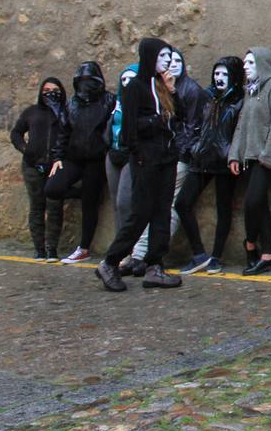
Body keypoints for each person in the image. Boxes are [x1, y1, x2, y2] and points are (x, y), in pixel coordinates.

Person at [96, 38, 185, 291]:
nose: (167, 61)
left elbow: (180, 117)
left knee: (162, 212)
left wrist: (172, 91)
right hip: (146, 159)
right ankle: (110, 262)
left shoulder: (162, 86)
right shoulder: (135, 87)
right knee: (140, 213)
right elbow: (129, 130)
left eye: (168, 56)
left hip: (166, 158)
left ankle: (155, 265)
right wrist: (153, 126)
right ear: (149, 58)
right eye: (161, 57)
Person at [175, 57, 245, 274]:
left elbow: (240, 130)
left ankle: (216, 256)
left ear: (233, 77)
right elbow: (194, 123)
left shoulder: (240, 100)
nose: (219, 78)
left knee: (224, 208)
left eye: (224, 74)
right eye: (217, 74)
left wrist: (233, 154)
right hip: (202, 158)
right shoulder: (207, 97)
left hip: (225, 161)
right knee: (182, 203)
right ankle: (199, 254)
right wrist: (194, 146)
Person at [46, 62, 116, 265]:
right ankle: (83, 192)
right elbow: (64, 131)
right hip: (74, 157)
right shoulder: (72, 104)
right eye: (82, 81)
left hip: (97, 159)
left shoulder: (109, 100)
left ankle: (83, 248)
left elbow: (115, 126)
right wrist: (58, 157)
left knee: (89, 204)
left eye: (89, 81)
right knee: (53, 187)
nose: (85, 85)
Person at [228, 48, 271, 276]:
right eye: (245, 63)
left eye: (250, 63)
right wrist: (234, 154)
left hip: (265, 159)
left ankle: (251, 244)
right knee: (259, 204)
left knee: (252, 202)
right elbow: (242, 125)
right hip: (249, 157)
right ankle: (268, 255)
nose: (245, 67)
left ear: (263, 64)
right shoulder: (250, 91)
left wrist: (268, 156)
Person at [10, 77, 69, 261]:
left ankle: (52, 248)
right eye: (46, 90)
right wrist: (25, 149)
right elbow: (16, 133)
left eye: (55, 89)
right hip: (32, 166)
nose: (51, 93)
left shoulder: (65, 113)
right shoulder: (32, 112)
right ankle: (39, 248)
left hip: (55, 166)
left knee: (55, 206)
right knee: (36, 206)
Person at [104, 66, 146, 277]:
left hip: (132, 155)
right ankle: (119, 250)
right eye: (124, 79)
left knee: (125, 201)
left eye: (132, 78)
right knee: (116, 204)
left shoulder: (141, 103)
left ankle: (130, 250)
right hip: (113, 154)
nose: (127, 82)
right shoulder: (117, 102)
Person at [166, 49, 209, 249]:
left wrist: (181, 153)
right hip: (165, 156)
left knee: (175, 204)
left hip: (183, 157)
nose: (173, 64)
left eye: (177, 60)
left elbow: (192, 127)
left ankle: (146, 254)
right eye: (169, 61)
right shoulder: (162, 89)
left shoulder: (191, 90)